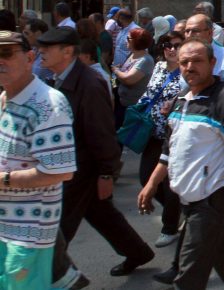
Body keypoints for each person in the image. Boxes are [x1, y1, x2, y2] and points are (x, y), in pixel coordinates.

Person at [37, 27, 154, 285]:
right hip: (73, 167)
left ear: (67, 52)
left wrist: (105, 172)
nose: (40, 53)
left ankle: (61, 277)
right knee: (102, 215)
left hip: (82, 170)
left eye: (47, 49)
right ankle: (138, 252)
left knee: (55, 229)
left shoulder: (89, 84)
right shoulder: (59, 79)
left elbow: (102, 132)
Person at [138, 39, 224, 289]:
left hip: (213, 201)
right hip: (189, 201)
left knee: (188, 277)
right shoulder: (181, 100)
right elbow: (169, 149)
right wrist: (152, 184)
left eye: (197, 60)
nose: (190, 66)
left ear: (212, 63)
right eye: (184, 62)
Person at [0, 30, 77, 290]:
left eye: (6, 53)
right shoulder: (5, 98)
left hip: (27, 233)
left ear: (30, 57)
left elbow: (60, 172)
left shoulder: (48, 104)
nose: (0, 61)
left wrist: (4, 180)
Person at [137, 32, 184, 249]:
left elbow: (190, 99)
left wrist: (173, 106)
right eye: (167, 45)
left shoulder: (186, 71)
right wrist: (140, 107)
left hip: (173, 134)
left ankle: (170, 226)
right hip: (152, 132)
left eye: (176, 45)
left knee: (168, 181)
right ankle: (177, 212)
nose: (171, 49)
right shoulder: (158, 67)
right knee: (146, 176)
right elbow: (149, 92)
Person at [184, 14, 224, 97]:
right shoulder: (184, 58)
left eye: (195, 31)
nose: (189, 35)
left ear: (210, 32)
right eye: (187, 31)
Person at [112, 27, 155, 130]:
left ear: (136, 41)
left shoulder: (145, 60)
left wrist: (116, 70)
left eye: (128, 38)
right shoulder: (132, 54)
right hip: (121, 102)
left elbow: (128, 80)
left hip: (132, 107)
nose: (125, 40)